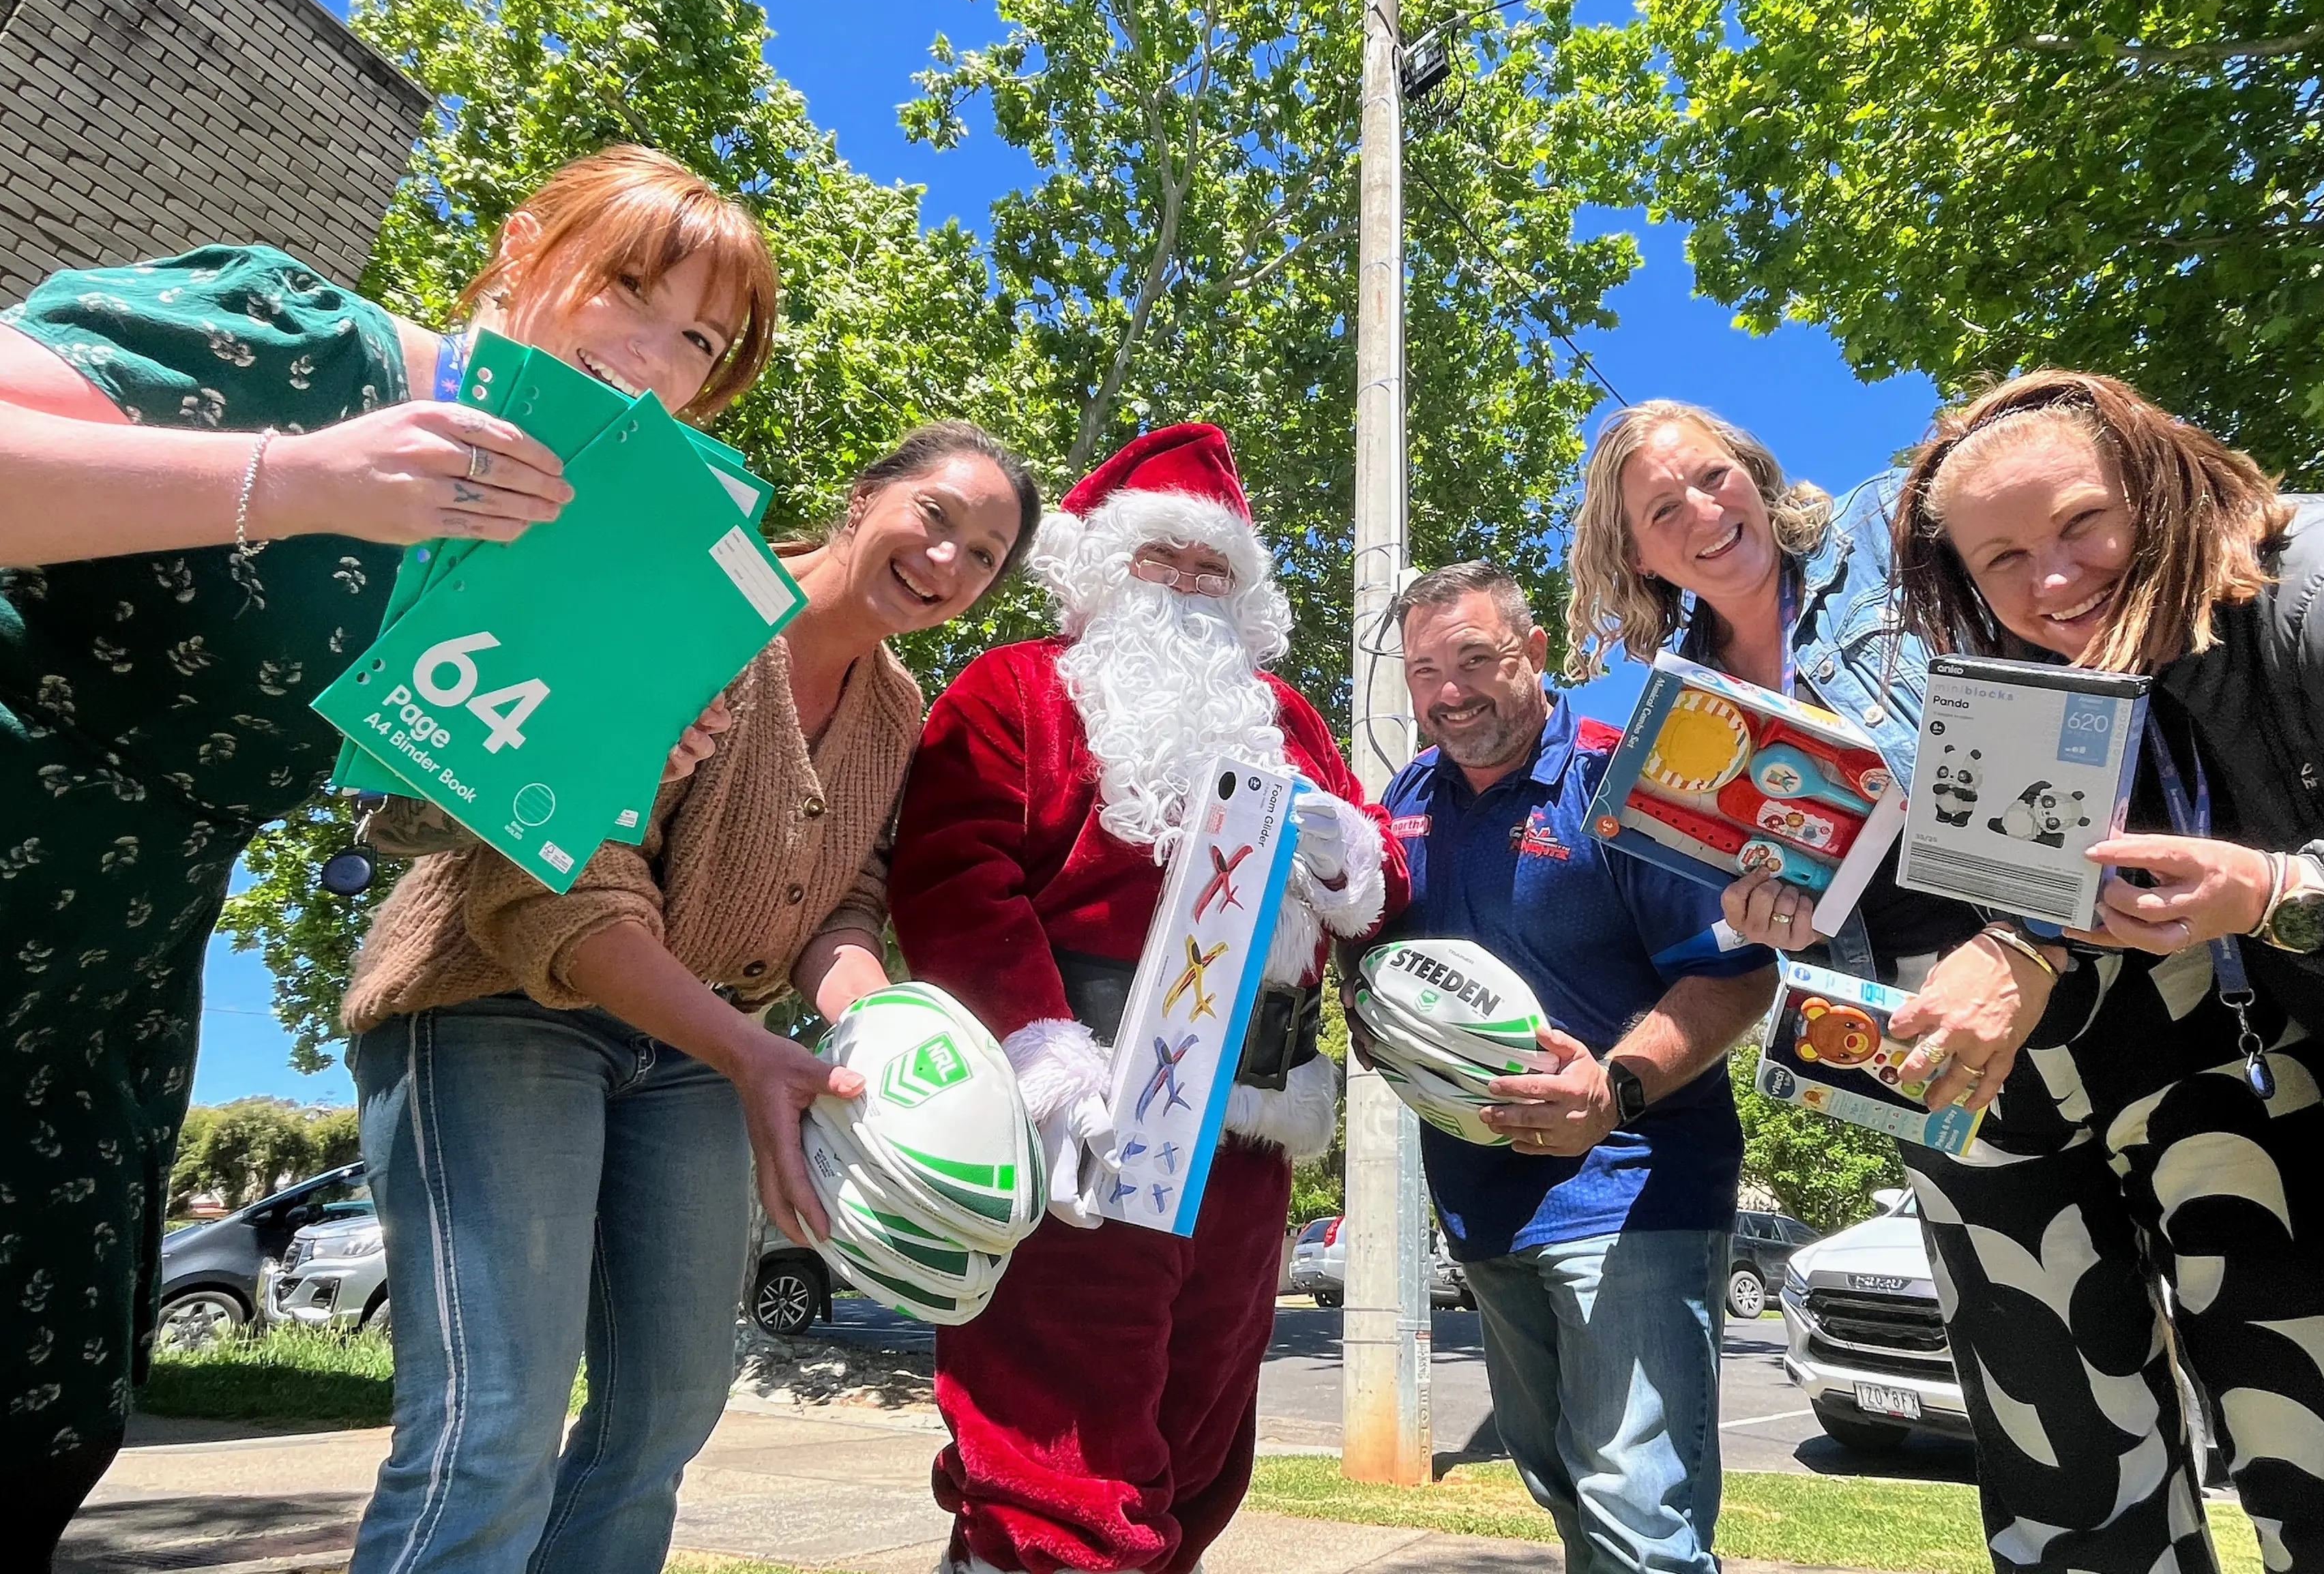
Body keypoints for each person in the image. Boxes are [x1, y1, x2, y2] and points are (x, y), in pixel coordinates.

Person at [0, 143, 767, 1558]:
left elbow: (419, 813)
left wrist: (619, 758)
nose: (655, 361)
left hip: (108, 968)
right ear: (526, 245)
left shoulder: (542, 545)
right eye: (628, 290)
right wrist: (297, 480)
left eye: (702, 343)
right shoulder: (307, 348)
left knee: (45, 1411)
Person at [1864, 369, 2324, 1574]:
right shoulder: (2045, 692)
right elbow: (2021, 905)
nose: (2052, 583)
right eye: (2002, 560)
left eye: (2081, 524)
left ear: (2161, 482)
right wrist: (2015, 941)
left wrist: (2287, 898)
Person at [338, 419, 1037, 1574]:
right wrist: (752, 1056)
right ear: (865, 496)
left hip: (704, 1052)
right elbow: (559, 886)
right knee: (493, 1420)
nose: (951, 562)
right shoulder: (696, 605)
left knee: (663, 1414)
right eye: (937, 518)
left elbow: (847, 901)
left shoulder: (900, 710)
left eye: (987, 556)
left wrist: (876, 1031)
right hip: (496, 1004)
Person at [887, 421, 1404, 1574]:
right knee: (1057, 1464)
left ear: (1244, 591)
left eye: (1207, 566)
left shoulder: (1289, 721)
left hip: (1254, 1134)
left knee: (1197, 1453)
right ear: (1098, 566)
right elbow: (953, 881)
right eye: (1155, 559)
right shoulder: (1011, 688)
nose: (1180, 586)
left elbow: (1382, 885)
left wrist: (1348, 853)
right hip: (1093, 1121)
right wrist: (1040, 1054)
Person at [1372, 560, 1778, 1574]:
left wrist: (1615, 1085)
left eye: (1475, 658)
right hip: (1478, 1198)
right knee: (1560, 1480)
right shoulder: (1405, 797)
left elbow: (1738, 979)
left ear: (1537, 650)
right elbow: (1376, 962)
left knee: (1640, 1512)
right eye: (1426, 671)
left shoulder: (1623, 782)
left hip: (1634, 1187)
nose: (1450, 691)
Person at [1565, 398, 1982, 984]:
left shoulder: (1883, 528)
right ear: (1639, 559)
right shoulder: (1682, 723)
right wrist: (1781, 922)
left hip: (2056, 936)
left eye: (1714, 477)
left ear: (1751, 473)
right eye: (1664, 511)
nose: (1706, 513)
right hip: (1909, 998)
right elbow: (1790, 891)